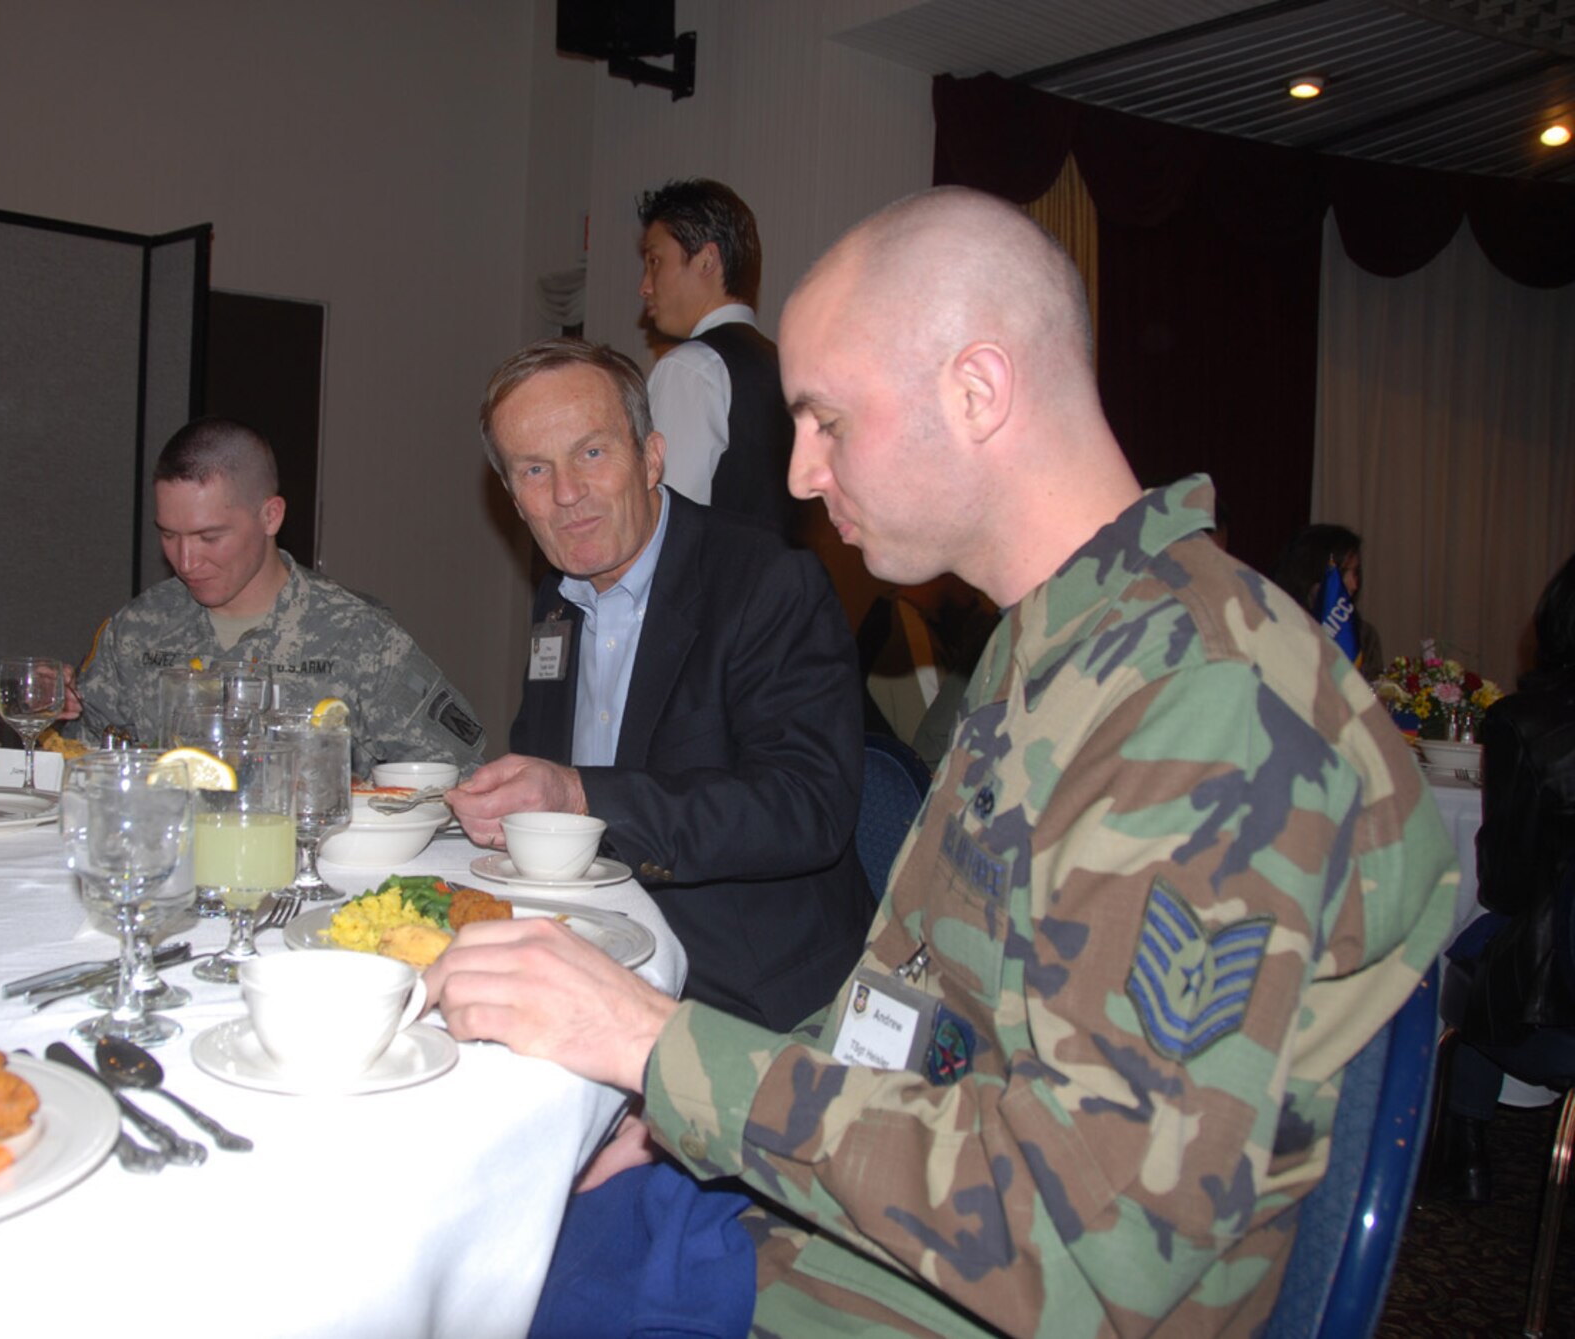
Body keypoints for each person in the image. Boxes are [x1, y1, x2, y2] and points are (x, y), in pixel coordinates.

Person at [426, 189, 1458, 1337]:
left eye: (826, 421)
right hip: (870, 1213)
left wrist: (655, 1047)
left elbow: (1085, 1249)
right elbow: (918, 1012)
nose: (800, 474)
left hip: (959, 1287)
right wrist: (675, 1109)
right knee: (476, 1239)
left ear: (975, 391)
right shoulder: (1052, 646)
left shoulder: (1203, 706)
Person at [449, 338, 872, 1032]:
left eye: (591, 452)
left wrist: (581, 797)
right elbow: (550, 765)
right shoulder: (558, 600)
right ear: (513, 497)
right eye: (534, 469)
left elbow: (807, 808)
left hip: (743, 992)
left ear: (650, 457)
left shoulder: (766, 582)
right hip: (596, 953)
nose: (566, 494)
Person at [75, 417, 484, 776]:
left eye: (209, 537)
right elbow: (82, 761)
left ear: (270, 516)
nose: (185, 560)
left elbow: (455, 775)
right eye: (168, 535)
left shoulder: (359, 638)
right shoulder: (136, 631)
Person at [1427, 551, 1575, 1202]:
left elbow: (1505, 884)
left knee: (1475, 944)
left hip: (1553, 1004)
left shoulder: (1523, 722)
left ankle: (1465, 1150)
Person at [638, 179, 797, 539]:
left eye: (655, 261)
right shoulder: (787, 368)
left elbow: (670, 530)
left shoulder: (689, 369)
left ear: (706, 260)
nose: (644, 286)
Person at [1272, 522, 1382, 672]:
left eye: (1355, 573)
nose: (1354, 585)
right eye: (1343, 573)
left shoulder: (1364, 637)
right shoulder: (1277, 628)